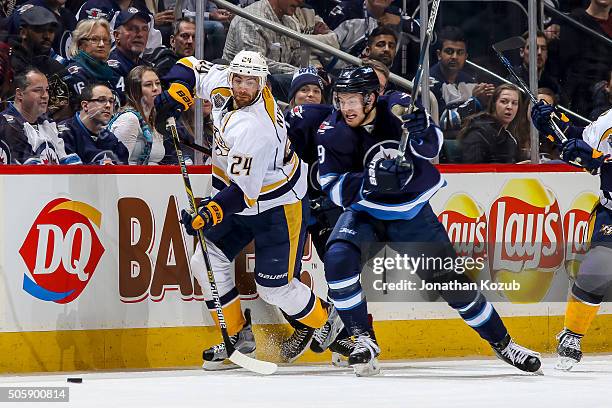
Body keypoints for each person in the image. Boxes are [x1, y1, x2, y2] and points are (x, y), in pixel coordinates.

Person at [316, 65, 541, 376]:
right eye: (341, 99)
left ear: (372, 97)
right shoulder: (331, 130)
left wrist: (423, 129)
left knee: (454, 286)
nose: (346, 107)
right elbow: (332, 188)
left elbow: (432, 148)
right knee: (338, 260)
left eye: (354, 100)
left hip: (410, 213)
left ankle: (504, 343)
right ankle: (362, 339)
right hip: (365, 212)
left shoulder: (398, 107)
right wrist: (369, 181)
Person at [157, 50, 344, 369]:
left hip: (276, 206)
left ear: (264, 83)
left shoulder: (256, 128)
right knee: (205, 259)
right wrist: (178, 92)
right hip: (237, 196)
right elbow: (188, 66)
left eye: (251, 81)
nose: (242, 87)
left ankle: (327, 320)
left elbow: (243, 194)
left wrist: (207, 214)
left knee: (275, 288)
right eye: (238, 79)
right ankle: (237, 336)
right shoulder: (224, 83)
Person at [531, 99, 612, 371]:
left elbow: (598, 158)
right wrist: (553, 125)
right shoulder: (609, 120)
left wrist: (599, 160)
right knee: (598, 267)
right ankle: (573, 334)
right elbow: (582, 142)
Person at [0, 68, 80, 164]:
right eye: (38, 90)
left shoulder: (47, 123)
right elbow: (25, 172)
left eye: (47, 90)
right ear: (19, 94)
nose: (45, 95)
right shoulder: (6, 125)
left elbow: (63, 160)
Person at [10, 5, 71, 120]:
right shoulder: (7, 61)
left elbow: (67, 107)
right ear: (23, 32)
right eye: (40, 30)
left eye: (51, 31)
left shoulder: (56, 68)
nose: (47, 36)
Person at [429, 26, 494, 133]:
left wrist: (489, 101)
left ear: (466, 56)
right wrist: (476, 102)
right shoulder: (427, 81)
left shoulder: (470, 81)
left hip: (467, 140)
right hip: (439, 142)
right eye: (449, 51)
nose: (454, 57)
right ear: (439, 54)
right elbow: (442, 122)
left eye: (460, 53)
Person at [58, 82, 128, 164]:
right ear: (85, 106)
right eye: (101, 100)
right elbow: (70, 172)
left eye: (111, 101)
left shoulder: (110, 138)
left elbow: (124, 171)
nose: (108, 105)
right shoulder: (64, 133)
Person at [109, 65, 165, 165]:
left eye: (157, 83)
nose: (155, 88)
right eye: (148, 85)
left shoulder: (156, 119)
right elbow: (117, 164)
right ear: (135, 90)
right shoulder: (129, 119)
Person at [458, 84, 521, 164]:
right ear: (494, 104)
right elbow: (474, 169)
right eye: (504, 101)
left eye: (514, 103)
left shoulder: (509, 136)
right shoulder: (478, 131)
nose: (509, 107)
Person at [66, 18, 124, 103]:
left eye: (105, 40)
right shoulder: (75, 74)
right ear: (80, 44)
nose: (101, 44)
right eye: (94, 39)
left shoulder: (113, 72)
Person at [108, 9, 151, 83]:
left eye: (144, 29)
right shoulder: (110, 68)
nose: (140, 34)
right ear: (117, 35)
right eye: (132, 29)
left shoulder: (148, 66)